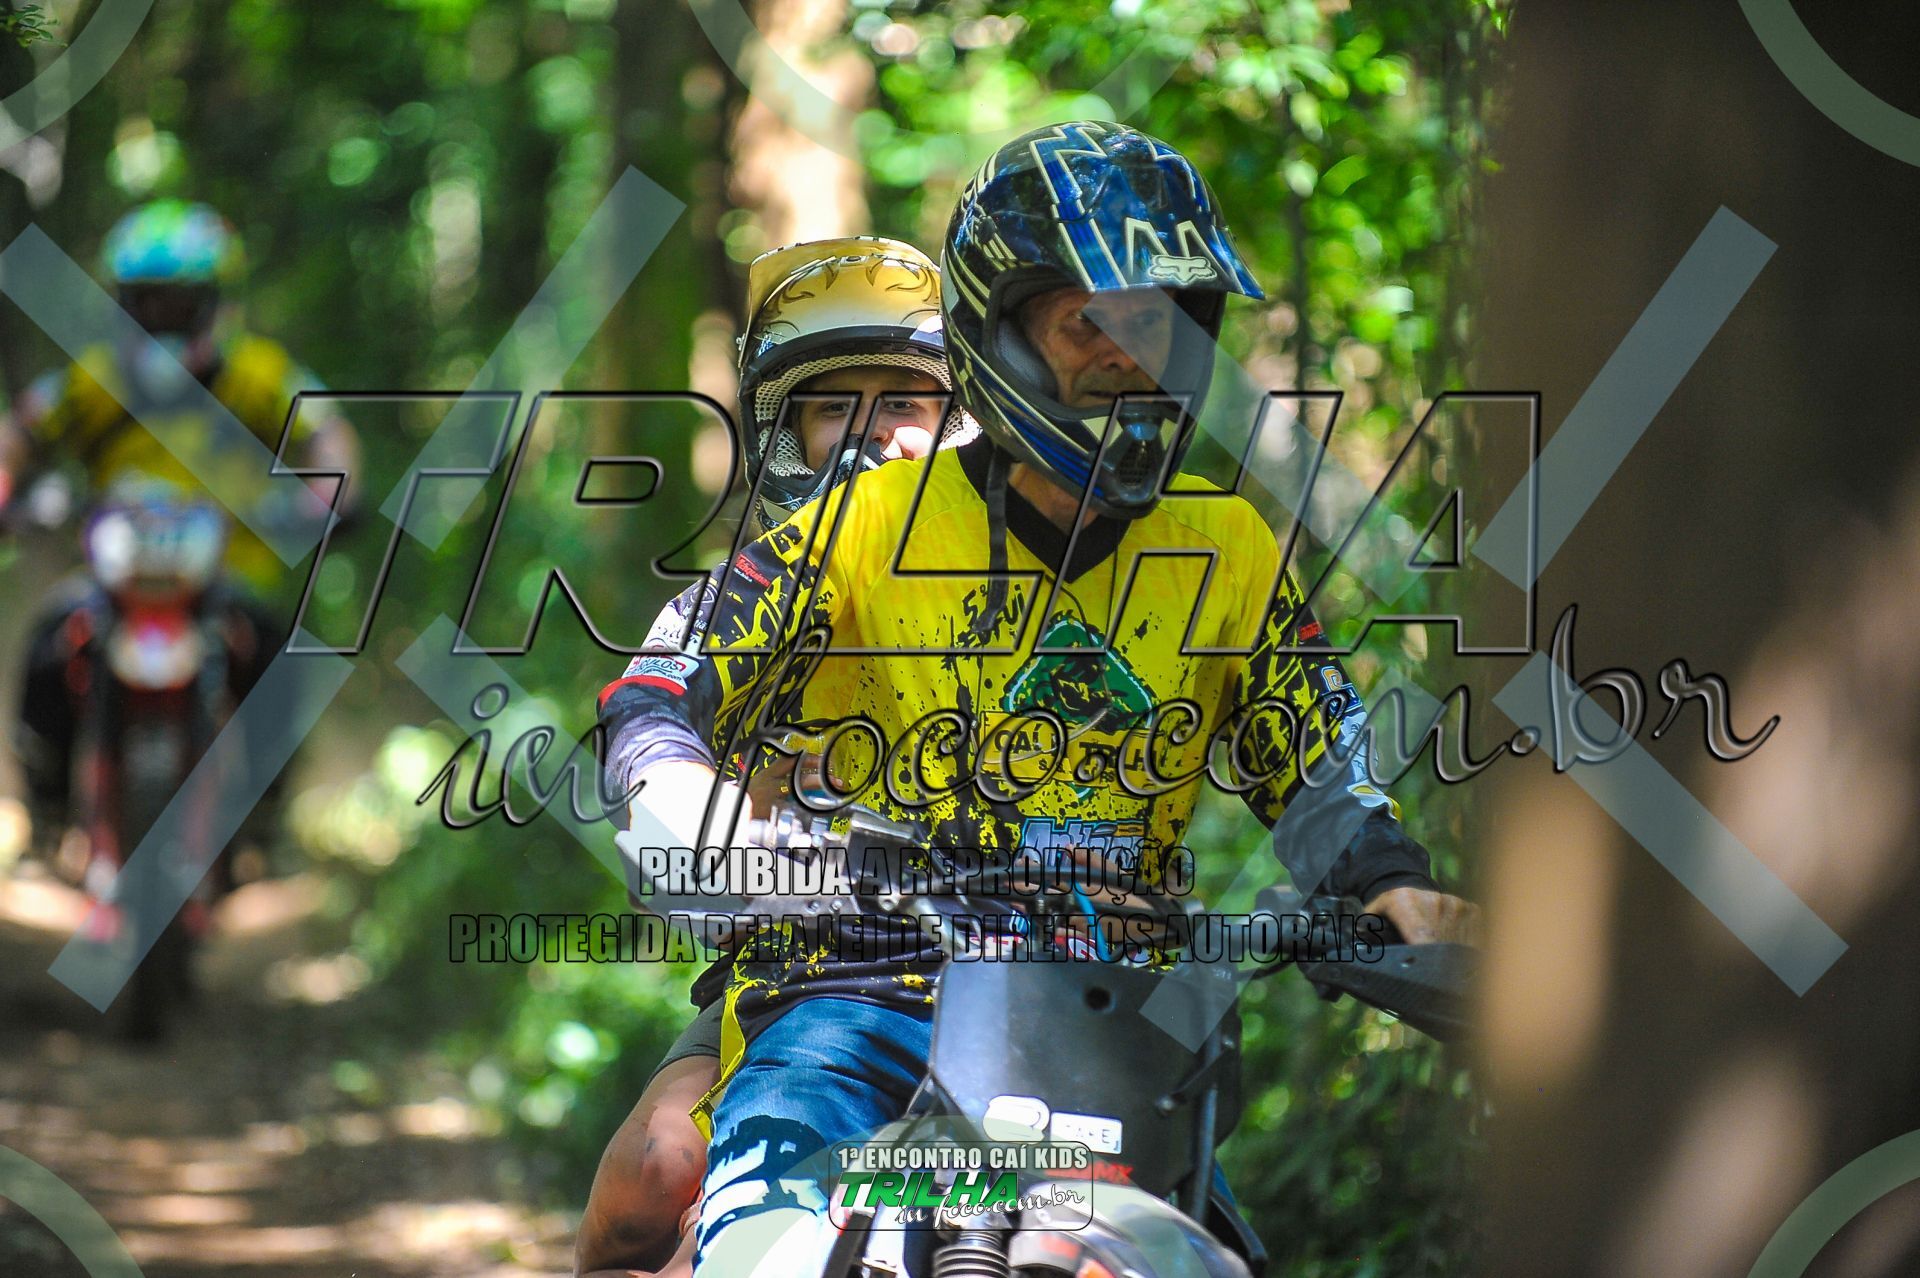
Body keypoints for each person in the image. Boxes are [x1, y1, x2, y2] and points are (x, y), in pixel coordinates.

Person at [598, 121, 1479, 1278]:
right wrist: (677, 792)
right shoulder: (860, 526)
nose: (1126, 356)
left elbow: (1315, 765)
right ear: (1002, 333)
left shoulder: (1227, 543)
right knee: (759, 1257)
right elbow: (670, 678)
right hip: (855, 1005)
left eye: (1154, 324)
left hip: (1111, 1023)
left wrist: (1391, 884)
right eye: (1085, 323)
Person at [576, 235, 968, 1278]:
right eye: (838, 406)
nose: (876, 433)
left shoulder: (1038, 577)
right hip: (803, 977)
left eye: (906, 402)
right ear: (791, 434)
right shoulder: (748, 594)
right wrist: (678, 798)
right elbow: (650, 697)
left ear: (959, 416)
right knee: (660, 1166)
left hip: (1031, 984)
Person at [1, 199, 356, 852]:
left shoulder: (259, 375)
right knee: (49, 645)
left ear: (214, 303)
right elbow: (22, 432)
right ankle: (47, 816)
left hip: (224, 573)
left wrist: (332, 495)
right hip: (112, 579)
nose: (161, 317)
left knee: (274, 655)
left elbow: (325, 432)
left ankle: (264, 819)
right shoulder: (95, 379)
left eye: (178, 304)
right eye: (147, 303)